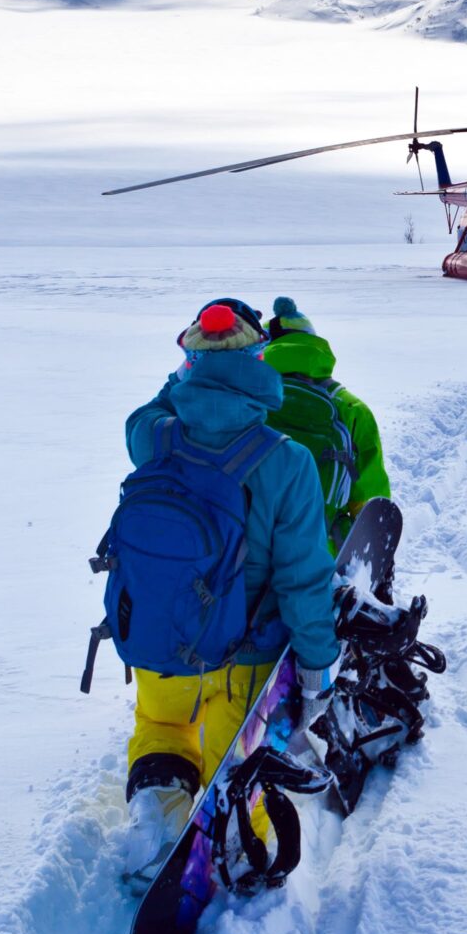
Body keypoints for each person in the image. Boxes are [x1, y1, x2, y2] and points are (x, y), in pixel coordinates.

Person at [112, 299, 339, 837]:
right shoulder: (287, 461)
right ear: (259, 364)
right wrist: (316, 665)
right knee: (234, 769)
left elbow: (156, 404)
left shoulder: (152, 438)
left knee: (163, 731)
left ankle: (156, 811)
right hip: (247, 655)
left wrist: (190, 369)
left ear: (189, 365)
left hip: (163, 645)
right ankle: (238, 843)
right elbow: (302, 577)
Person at [261, 295, 390, 552]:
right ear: (315, 344)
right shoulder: (351, 408)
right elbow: (369, 499)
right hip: (324, 551)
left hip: (251, 550)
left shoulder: (246, 400)